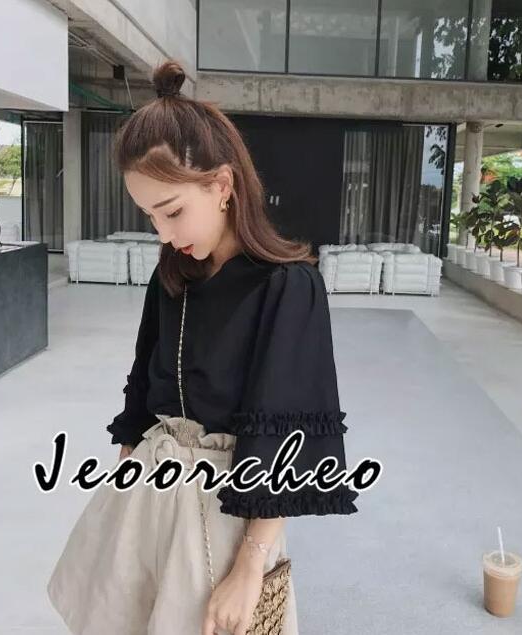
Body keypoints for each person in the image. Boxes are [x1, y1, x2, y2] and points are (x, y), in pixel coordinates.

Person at [47, 58, 360, 635]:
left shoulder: (287, 286)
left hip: (226, 517)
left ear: (221, 186)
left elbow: (287, 436)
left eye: (172, 211)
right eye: (150, 217)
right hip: (148, 496)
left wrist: (250, 566)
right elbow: (143, 395)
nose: (164, 235)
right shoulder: (172, 277)